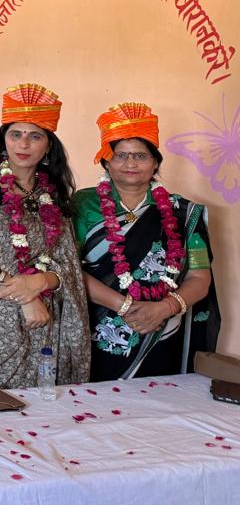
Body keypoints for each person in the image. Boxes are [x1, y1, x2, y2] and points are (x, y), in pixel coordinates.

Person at [0, 84, 90, 389]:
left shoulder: (53, 191)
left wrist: (40, 283)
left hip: (41, 320)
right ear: (4, 139)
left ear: (49, 145)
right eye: (15, 134)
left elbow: (65, 262)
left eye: (35, 136)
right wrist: (24, 297)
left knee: (39, 408)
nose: (23, 144)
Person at [74, 102, 220, 380]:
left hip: (161, 330)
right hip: (94, 329)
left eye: (140, 155)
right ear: (106, 161)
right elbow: (68, 269)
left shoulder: (183, 213)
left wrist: (165, 308)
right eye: (120, 155)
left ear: (155, 163)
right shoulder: (83, 204)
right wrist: (125, 306)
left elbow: (200, 276)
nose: (130, 163)